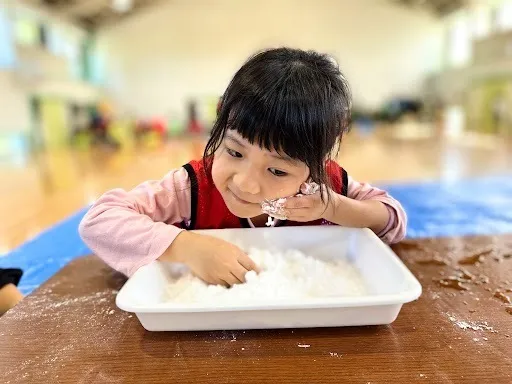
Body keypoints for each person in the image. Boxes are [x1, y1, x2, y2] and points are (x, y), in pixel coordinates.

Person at [79, 48, 406, 287]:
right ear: (220, 127)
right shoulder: (192, 188)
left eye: (277, 171)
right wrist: (186, 246)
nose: (247, 184)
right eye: (235, 152)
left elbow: (393, 221)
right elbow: (99, 219)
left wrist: (336, 208)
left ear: (316, 164)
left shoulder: (326, 188)